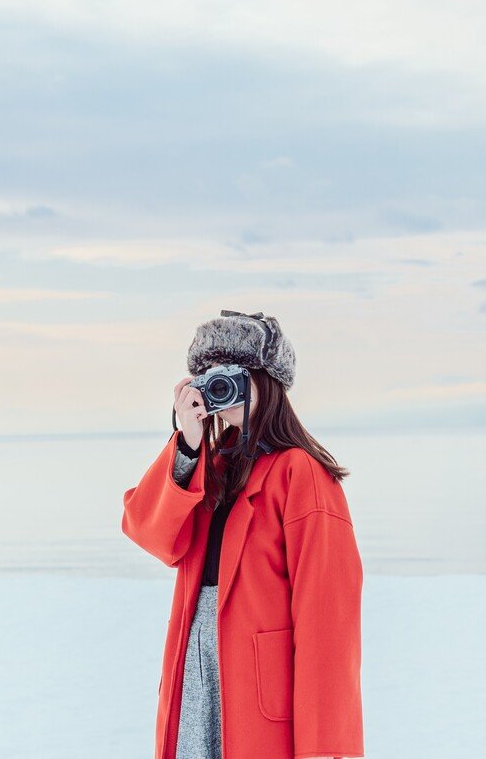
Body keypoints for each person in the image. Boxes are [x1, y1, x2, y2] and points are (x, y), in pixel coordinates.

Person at [122, 310, 364, 759]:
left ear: (264, 381)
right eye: (208, 377)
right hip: (194, 669)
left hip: (260, 684)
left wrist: (325, 747)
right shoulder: (209, 469)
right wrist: (187, 444)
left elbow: (328, 623)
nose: (219, 388)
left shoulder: (302, 474)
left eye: (231, 375)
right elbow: (152, 534)